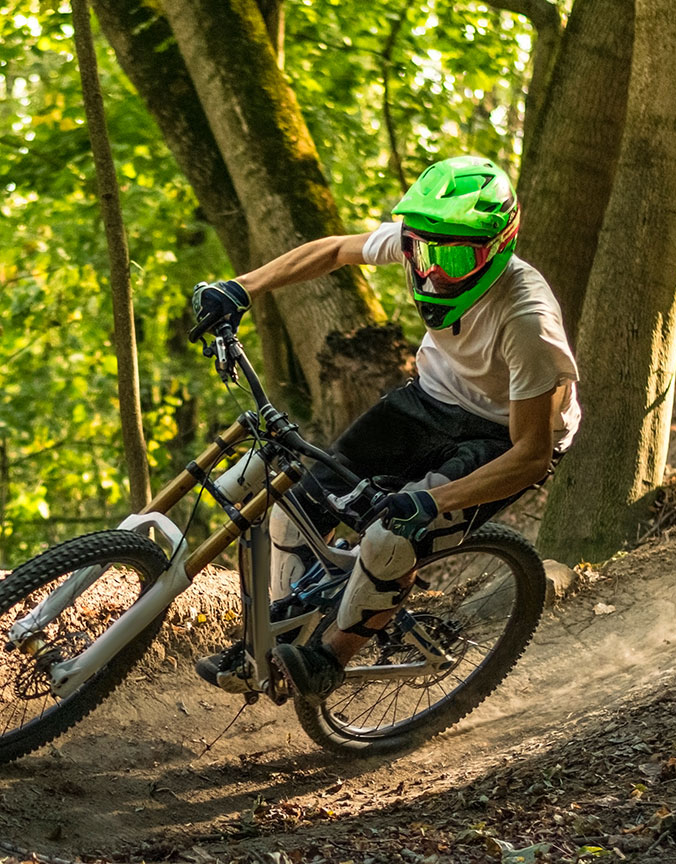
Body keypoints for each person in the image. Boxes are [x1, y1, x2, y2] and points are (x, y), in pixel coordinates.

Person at [189, 155, 583, 701]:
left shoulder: (528, 321)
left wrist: (430, 503)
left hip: (499, 435)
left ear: (498, 247)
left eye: (451, 256)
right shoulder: (427, 241)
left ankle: (330, 658)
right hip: (428, 398)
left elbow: (531, 455)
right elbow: (331, 250)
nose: (431, 270)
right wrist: (241, 287)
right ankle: (274, 634)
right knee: (294, 505)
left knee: (392, 536)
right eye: (421, 250)